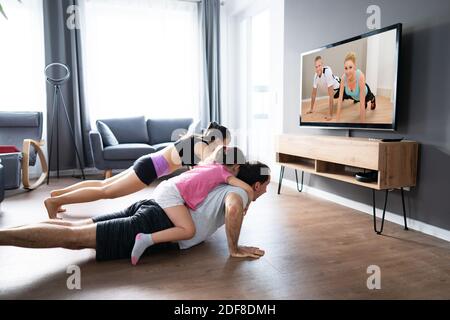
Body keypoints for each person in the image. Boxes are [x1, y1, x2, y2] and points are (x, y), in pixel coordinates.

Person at [0, 161, 270, 262]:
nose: (266, 192)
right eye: (265, 187)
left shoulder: (225, 181)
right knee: (74, 239)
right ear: (256, 184)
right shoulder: (242, 192)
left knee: (75, 230)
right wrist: (233, 248)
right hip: (156, 222)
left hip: (154, 207)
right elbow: (233, 207)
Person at [44, 122, 231, 219]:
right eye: (225, 143)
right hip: (148, 170)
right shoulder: (201, 147)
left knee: (103, 184)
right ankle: (55, 202)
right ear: (218, 139)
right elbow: (206, 168)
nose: (224, 147)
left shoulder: (196, 139)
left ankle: (58, 194)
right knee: (106, 192)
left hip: (147, 162)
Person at [130, 146, 254, 265]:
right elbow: (248, 189)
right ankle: (146, 239)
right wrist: (246, 204)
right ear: (237, 166)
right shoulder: (224, 173)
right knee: (189, 231)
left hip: (168, 187)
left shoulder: (211, 164)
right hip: (171, 194)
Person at [336, 52, 376, 122]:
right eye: (346, 68)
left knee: (367, 100)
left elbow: (361, 105)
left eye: (350, 67)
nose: (348, 71)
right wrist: (337, 120)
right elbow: (339, 100)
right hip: (354, 96)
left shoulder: (360, 76)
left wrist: (362, 127)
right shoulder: (343, 78)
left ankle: (373, 99)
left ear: (354, 66)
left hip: (365, 94)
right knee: (360, 101)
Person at [306, 56, 343, 120]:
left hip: (339, 87)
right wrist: (311, 109)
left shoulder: (327, 71)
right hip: (335, 94)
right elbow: (313, 94)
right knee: (341, 97)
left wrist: (330, 115)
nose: (318, 68)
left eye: (319, 65)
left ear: (322, 65)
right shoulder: (315, 76)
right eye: (316, 67)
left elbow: (331, 95)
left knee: (351, 94)